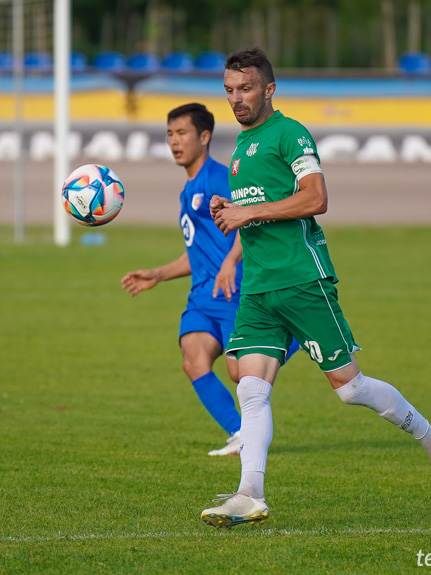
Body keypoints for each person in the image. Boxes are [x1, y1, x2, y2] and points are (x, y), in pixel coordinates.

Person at [200, 48, 431, 528]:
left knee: (349, 388)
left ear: (269, 89)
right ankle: (249, 494)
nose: (236, 99)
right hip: (259, 287)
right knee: (251, 387)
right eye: (230, 91)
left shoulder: (290, 133)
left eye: (246, 89)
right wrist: (231, 206)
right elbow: (258, 205)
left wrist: (247, 212)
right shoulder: (241, 146)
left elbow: (317, 198)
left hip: (303, 280)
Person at [121, 102, 299, 456]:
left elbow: (250, 220)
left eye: (182, 133)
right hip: (203, 295)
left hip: (233, 290)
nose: (174, 141)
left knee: (239, 374)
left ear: (204, 137)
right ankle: (239, 433)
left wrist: (232, 261)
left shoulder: (219, 178)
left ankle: (292, 334)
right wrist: (158, 274)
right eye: (170, 134)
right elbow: (199, 250)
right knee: (194, 360)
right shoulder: (188, 190)